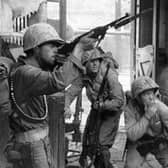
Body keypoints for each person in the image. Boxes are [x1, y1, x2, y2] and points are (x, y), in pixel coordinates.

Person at [4, 23, 96, 168]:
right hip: (31, 146)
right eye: (51, 46)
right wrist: (79, 48)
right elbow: (57, 81)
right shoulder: (25, 73)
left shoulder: (35, 71)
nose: (56, 50)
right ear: (36, 48)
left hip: (39, 143)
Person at [65, 48, 124, 168]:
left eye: (97, 60)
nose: (95, 64)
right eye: (91, 61)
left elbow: (119, 101)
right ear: (85, 64)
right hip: (97, 107)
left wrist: (103, 105)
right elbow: (71, 92)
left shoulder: (109, 75)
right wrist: (66, 106)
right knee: (88, 139)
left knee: (102, 144)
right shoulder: (84, 76)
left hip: (112, 110)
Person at [125, 76, 168, 168]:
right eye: (146, 94)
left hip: (159, 142)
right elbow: (132, 135)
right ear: (138, 97)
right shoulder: (130, 109)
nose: (151, 97)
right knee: (132, 166)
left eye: (152, 93)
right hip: (138, 143)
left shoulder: (160, 107)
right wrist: (147, 116)